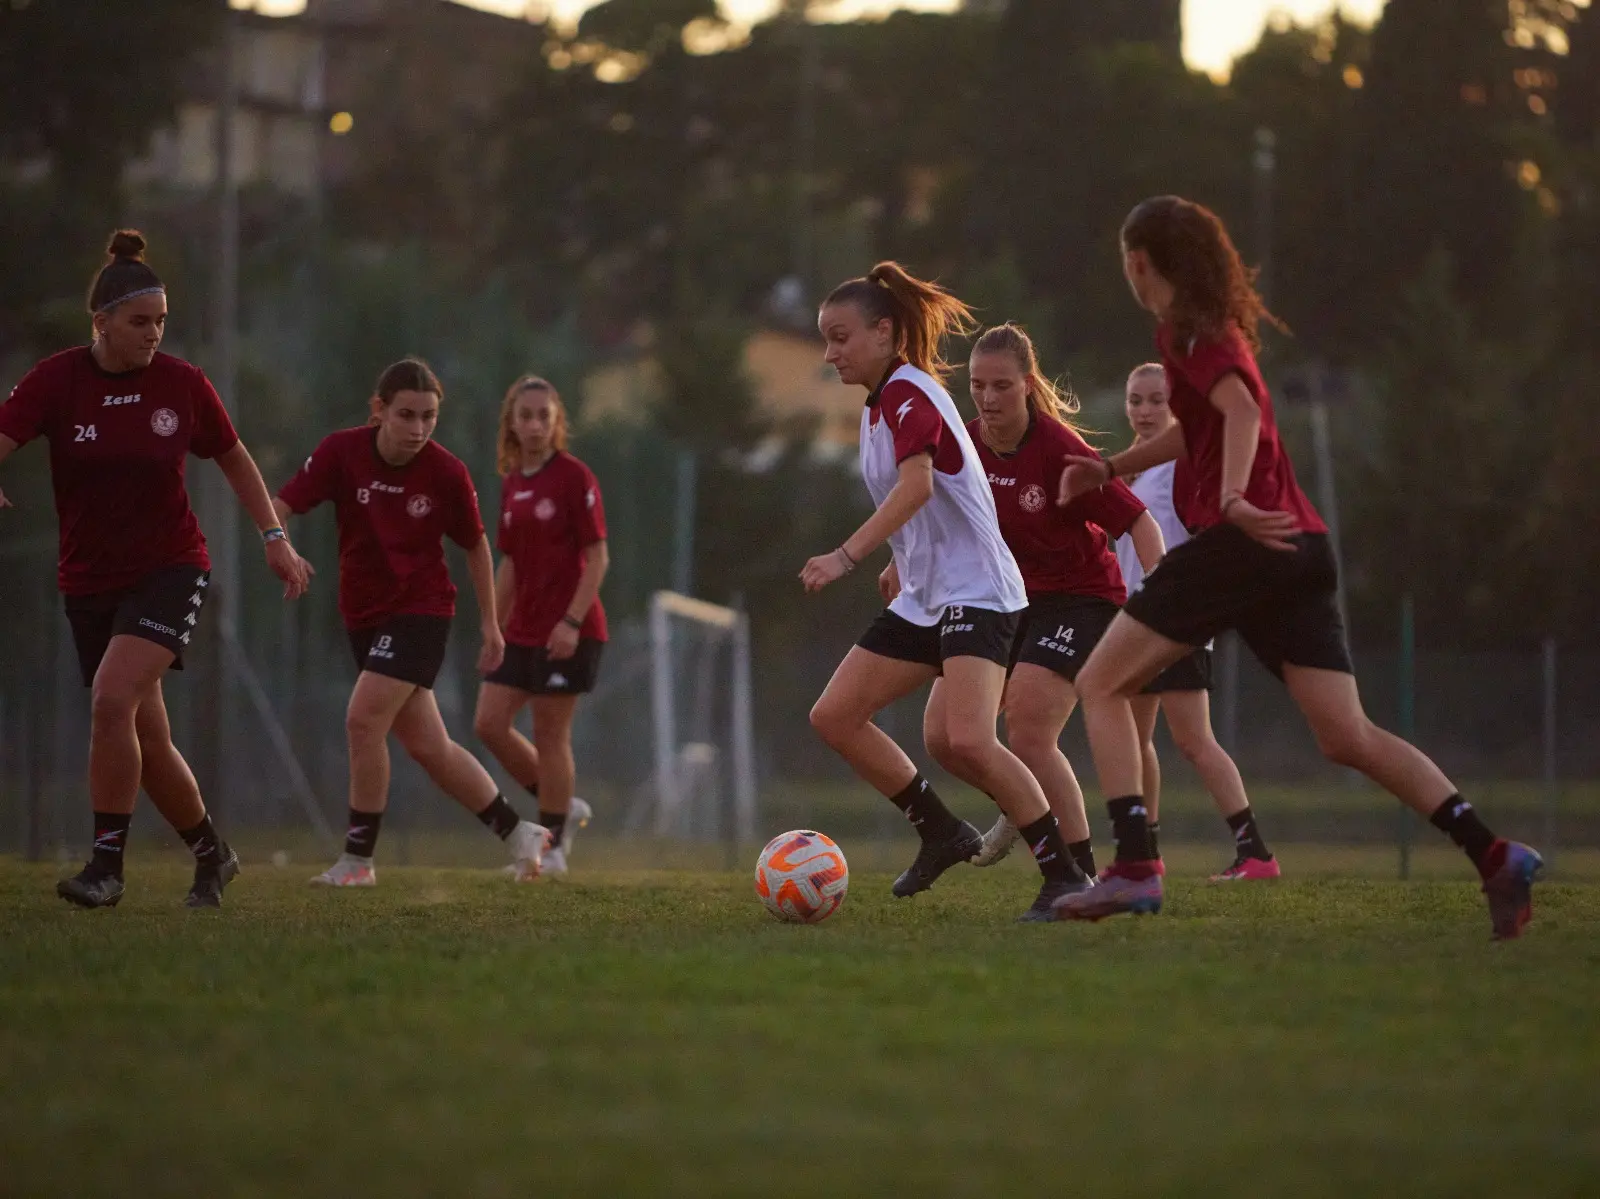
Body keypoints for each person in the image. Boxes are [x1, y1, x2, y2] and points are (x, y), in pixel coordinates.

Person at [1056, 195, 1541, 937]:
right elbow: (1200, 426)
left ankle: (1134, 867)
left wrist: (1231, 498)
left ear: (1139, 262)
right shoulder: (1207, 331)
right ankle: (1494, 852)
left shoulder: (1187, 333)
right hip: (1299, 545)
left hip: (1241, 542)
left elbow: (1243, 408)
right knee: (1347, 735)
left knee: (1098, 681)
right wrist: (1111, 466)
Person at [0, 229, 311, 909]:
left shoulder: (182, 384)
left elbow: (233, 455)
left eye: (162, 321)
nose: (153, 334)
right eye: (140, 322)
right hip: (88, 580)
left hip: (172, 567)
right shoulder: (57, 380)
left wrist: (273, 536)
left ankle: (106, 868)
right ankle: (213, 852)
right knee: (145, 733)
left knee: (111, 699)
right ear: (101, 321)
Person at [802, 263, 1094, 922]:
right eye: (826, 338)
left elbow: (919, 487)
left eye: (841, 336)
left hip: (981, 592)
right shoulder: (880, 405)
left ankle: (1066, 875)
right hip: (929, 595)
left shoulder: (912, 395)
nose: (830, 353)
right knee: (835, 716)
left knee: (969, 738)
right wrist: (906, 564)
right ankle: (940, 831)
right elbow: (933, 507)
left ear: (884, 331)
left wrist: (846, 555)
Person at [274, 357, 549, 886]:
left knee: (361, 721)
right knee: (430, 748)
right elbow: (279, 504)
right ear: (379, 411)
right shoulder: (341, 453)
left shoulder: (446, 473)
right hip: (362, 617)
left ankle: (358, 861)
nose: (419, 429)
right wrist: (277, 545)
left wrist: (492, 626)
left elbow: (475, 546)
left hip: (421, 612)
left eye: (429, 417)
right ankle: (519, 833)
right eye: (407, 415)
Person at [949, 325, 1163, 890]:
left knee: (1028, 730)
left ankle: (1079, 879)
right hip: (1009, 600)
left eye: (1002, 386)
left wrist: (1160, 591)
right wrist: (901, 561)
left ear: (1027, 385)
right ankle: (1022, 808)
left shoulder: (1062, 451)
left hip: (1082, 599)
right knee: (951, 736)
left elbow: (1138, 521)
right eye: (977, 386)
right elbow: (935, 512)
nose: (989, 399)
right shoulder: (966, 443)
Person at [1115, 362, 1279, 881]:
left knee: (1193, 740)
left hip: (1176, 622)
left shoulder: (1183, 467)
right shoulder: (1133, 469)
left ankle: (1255, 853)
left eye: (1155, 401)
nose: (1143, 411)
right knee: (1133, 740)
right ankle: (1144, 854)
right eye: (1135, 400)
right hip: (1133, 623)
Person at [473, 376, 608, 876]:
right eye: (524, 415)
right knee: (488, 723)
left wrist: (571, 622)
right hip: (522, 628)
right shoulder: (513, 481)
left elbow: (597, 559)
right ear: (511, 420)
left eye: (542, 416)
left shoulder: (574, 477)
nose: (533, 424)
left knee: (551, 734)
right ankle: (562, 805)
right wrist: (493, 625)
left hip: (571, 628)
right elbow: (509, 562)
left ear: (555, 423)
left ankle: (551, 850)